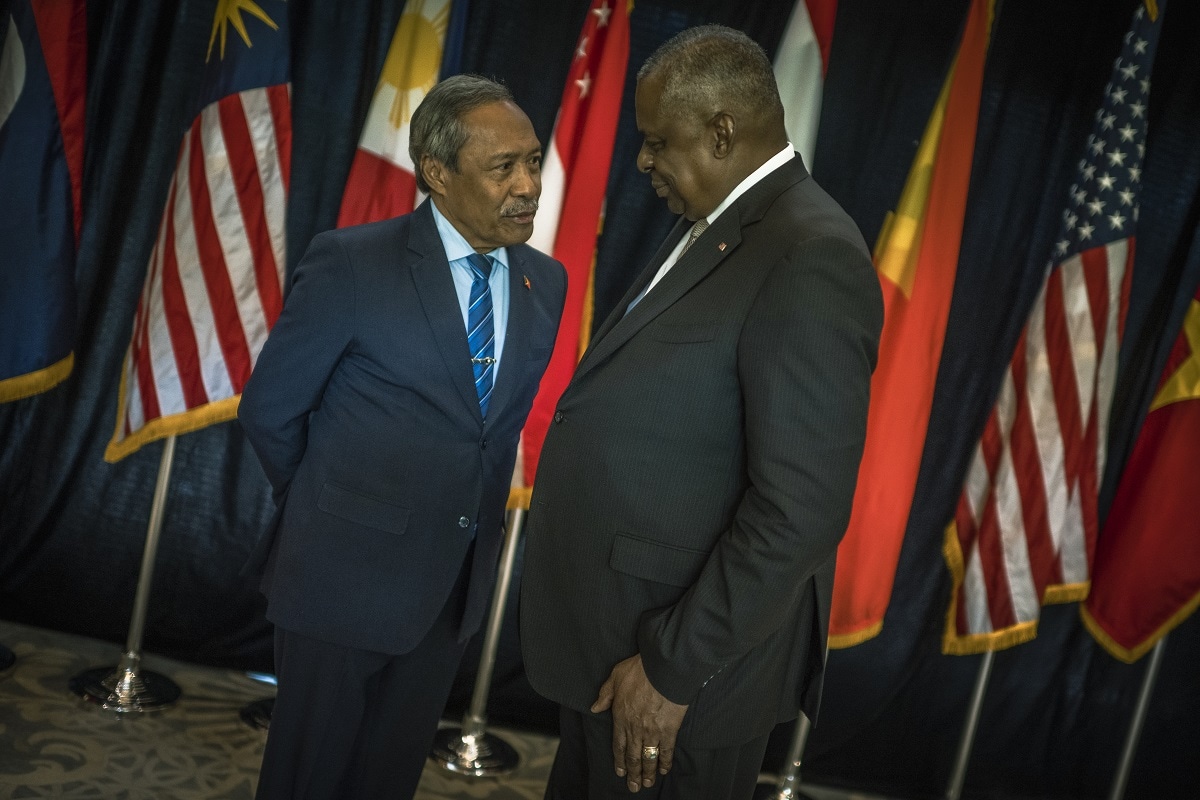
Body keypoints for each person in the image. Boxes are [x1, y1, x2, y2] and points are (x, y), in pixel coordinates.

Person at [519, 25, 883, 799]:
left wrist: (672, 667)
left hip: (675, 683)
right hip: (614, 644)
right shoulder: (715, 224)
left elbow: (801, 509)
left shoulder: (809, 254)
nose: (642, 161)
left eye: (657, 142)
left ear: (722, 132)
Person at [239, 74, 566, 800]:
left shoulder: (546, 283)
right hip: (339, 580)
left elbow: (487, 434)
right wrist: (331, 508)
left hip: (450, 595)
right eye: (503, 167)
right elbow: (270, 410)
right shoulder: (352, 264)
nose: (528, 186)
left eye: (532, 161)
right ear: (438, 173)